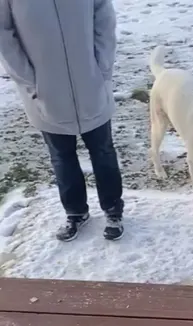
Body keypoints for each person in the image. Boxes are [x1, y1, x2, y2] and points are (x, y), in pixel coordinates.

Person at [0, 0, 124, 242]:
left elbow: (103, 16)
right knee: (61, 155)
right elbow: (3, 34)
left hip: (91, 82)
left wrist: (102, 66)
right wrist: (29, 79)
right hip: (45, 91)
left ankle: (113, 210)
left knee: (103, 151)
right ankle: (75, 212)